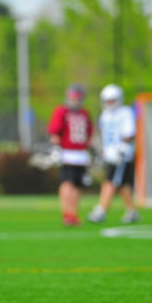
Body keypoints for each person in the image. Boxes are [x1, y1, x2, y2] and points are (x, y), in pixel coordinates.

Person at [87, 84, 140, 224]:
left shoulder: (125, 113)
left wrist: (120, 148)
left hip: (121, 154)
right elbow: (104, 135)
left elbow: (129, 134)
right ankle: (132, 211)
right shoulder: (105, 115)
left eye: (112, 100)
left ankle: (101, 211)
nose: (109, 103)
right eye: (107, 100)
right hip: (110, 154)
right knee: (122, 184)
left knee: (109, 181)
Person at [47, 84, 94, 226]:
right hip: (67, 153)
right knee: (67, 183)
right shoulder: (61, 111)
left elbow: (90, 133)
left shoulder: (84, 113)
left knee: (77, 185)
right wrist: (56, 148)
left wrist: (90, 150)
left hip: (81, 155)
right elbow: (54, 133)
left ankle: (73, 213)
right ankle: (66, 214)